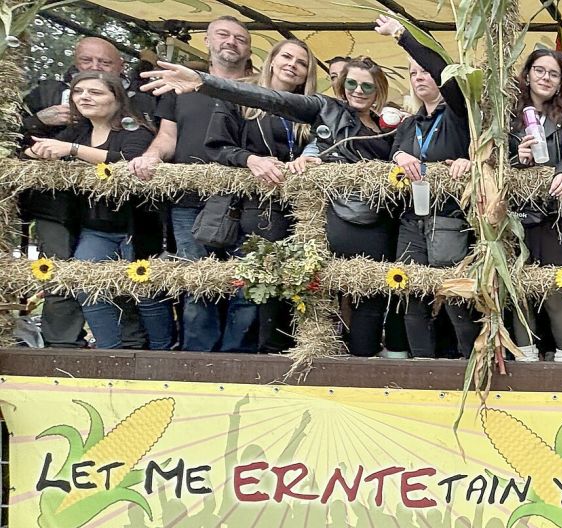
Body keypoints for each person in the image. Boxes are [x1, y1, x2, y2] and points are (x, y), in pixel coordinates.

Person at [141, 40, 407, 358]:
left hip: (380, 223)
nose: (358, 90)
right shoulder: (327, 109)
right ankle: (305, 359)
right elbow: (269, 98)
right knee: (314, 291)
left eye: (367, 85)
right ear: (340, 85)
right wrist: (206, 83)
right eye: (351, 82)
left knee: (372, 300)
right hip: (334, 220)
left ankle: (361, 364)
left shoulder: (391, 126)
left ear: (379, 90)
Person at [128, 16, 253, 352]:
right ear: (208, 43)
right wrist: (151, 157)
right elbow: (167, 137)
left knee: (247, 282)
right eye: (223, 34)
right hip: (189, 199)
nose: (231, 42)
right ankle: (198, 359)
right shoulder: (177, 88)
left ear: (249, 48)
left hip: (243, 199)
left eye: (240, 37)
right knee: (197, 281)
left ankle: (238, 358)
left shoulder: (259, 90)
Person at [27, 72, 174, 350]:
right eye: (79, 91)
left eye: (95, 92)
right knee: (86, 285)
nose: (84, 97)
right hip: (96, 228)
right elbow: (40, 148)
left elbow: (130, 160)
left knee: (145, 292)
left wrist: (70, 149)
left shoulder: (135, 130)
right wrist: (40, 151)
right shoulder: (78, 131)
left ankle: (163, 352)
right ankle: (110, 352)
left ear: (117, 99)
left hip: (137, 229)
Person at [20, 36, 144, 349]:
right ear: (76, 61)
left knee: (124, 280)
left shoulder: (137, 100)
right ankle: (63, 346)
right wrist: (37, 121)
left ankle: (127, 345)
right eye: (87, 61)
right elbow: (11, 137)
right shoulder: (46, 92)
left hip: (111, 212)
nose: (94, 68)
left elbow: (130, 154)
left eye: (104, 63)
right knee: (62, 274)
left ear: (120, 67)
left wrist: (71, 148)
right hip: (55, 205)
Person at [375, 15, 479, 359]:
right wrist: (400, 155)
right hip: (411, 222)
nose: (420, 77)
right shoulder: (409, 124)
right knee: (412, 294)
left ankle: (469, 362)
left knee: (455, 297)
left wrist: (402, 35)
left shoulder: (458, 113)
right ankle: (421, 364)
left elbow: (443, 68)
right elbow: (392, 154)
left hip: (449, 219)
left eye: (424, 71)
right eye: (413, 74)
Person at [204, 39, 318, 353]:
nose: (292, 64)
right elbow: (216, 146)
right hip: (255, 207)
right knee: (252, 289)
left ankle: (276, 352)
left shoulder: (308, 109)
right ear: (271, 59)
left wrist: (310, 158)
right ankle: (236, 358)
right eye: (286, 56)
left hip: (300, 211)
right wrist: (250, 160)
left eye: (301, 62)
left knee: (291, 287)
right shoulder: (240, 98)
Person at [509, 49, 562, 363]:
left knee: (554, 292)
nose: (546, 78)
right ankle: (526, 357)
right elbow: (494, 162)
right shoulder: (508, 114)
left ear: (560, 82)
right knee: (519, 293)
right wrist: (518, 158)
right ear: (527, 74)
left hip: (555, 216)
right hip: (517, 217)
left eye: (553, 74)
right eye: (540, 71)